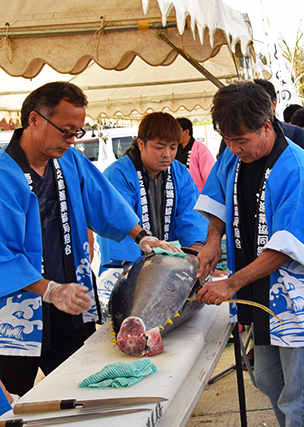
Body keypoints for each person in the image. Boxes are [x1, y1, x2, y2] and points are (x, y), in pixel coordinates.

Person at [0, 82, 176, 396]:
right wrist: (49, 290)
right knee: (15, 400)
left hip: (71, 301)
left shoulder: (70, 161)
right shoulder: (3, 174)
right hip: (15, 314)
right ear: (35, 119)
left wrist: (141, 236)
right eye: (66, 130)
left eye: (78, 132)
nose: (72, 140)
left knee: (81, 392)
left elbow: (102, 200)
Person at [193, 81, 304, 427]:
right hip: (257, 290)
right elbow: (217, 196)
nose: (233, 148)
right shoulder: (232, 153)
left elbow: (288, 247)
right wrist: (213, 241)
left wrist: (231, 283)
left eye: (241, 140)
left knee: (300, 394)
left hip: (296, 295)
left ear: (267, 125)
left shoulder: (298, 169)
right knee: (270, 380)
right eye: (227, 140)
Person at [96, 113, 209, 313]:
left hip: (168, 269)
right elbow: (117, 222)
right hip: (125, 270)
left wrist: (195, 255)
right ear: (141, 144)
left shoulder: (180, 173)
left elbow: (191, 218)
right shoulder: (118, 175)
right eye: (159, 147)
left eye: (173, 147)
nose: (167, 154)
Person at [254, 79, 304, 152]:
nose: (254, 110)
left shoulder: (294, 133)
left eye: (259, 104)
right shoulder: (237, 140)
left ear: (274, 104)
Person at [175, 117, 215, 192]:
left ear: (186, 132)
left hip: (197, 194)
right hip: (179, 194)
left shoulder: (200, 148)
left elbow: (209, 174)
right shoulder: (174, 148)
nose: (174, 133)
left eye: (177, 130)